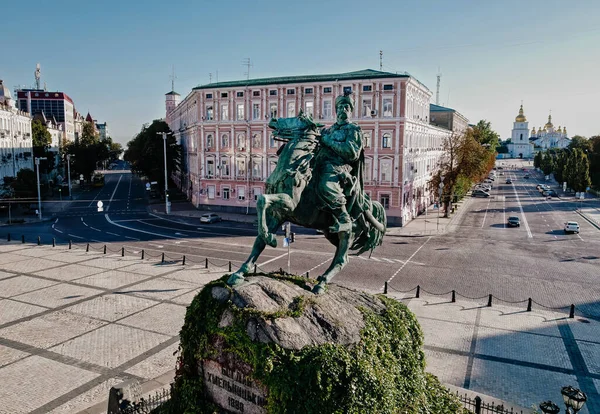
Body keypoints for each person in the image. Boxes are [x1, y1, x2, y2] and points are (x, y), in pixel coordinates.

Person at [314, 92, 363, 233]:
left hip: (341, 166)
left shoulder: (353, 129)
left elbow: (352, 152)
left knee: (326, 184)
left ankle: (344, 218)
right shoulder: (329, 129)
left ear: (351, 110)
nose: (343, 109)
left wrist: (328, 141)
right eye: (340, 106)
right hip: (322, 163)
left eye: (347, 107)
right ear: (336, 110)